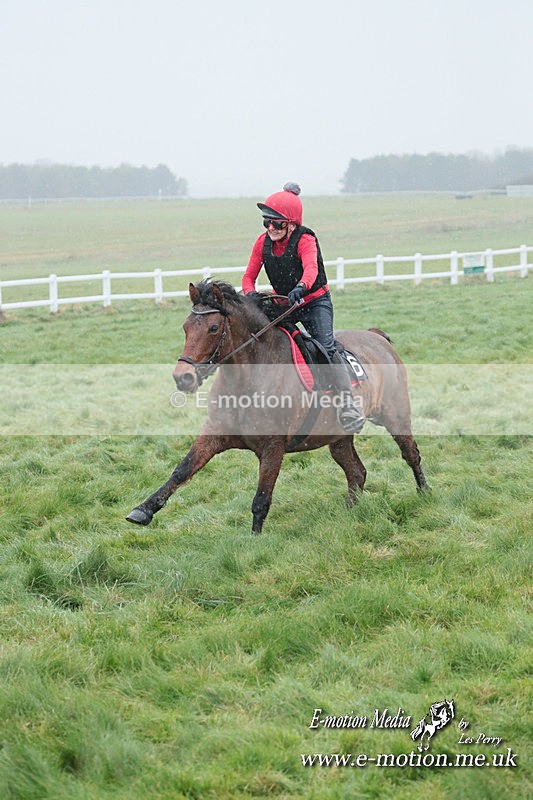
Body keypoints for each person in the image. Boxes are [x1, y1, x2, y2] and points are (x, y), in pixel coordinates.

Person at [242, 182, 365, 434]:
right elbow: (247, 277)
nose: (271, 228)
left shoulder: (305, 239)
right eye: (266, 222)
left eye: (277, 223)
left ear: (292, 224)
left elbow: (312, 269)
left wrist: (301, 286)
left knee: (325, 347)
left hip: (314, 302)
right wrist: (251, 295)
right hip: (283, 304)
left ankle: (347, 404)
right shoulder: (261, 242)